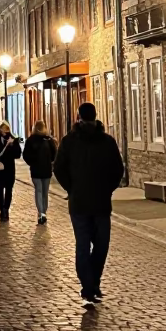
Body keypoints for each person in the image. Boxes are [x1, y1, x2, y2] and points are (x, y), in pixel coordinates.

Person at [54, 103, 124, 308]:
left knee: (86, 246)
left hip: (85, 203)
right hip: (93, 203)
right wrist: (106, 189)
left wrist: (71, 188)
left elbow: (58, 169)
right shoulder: (101, 142)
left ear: (79, 117)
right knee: (97, 246)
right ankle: (90, 285)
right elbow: (118, 170)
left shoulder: (76, 142)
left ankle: (89, 285)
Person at [23, 121, 58, 225]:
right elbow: (54, 154)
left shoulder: (31, 140)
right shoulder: (48, 140)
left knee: (39, 191)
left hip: (36, 170)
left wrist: (32, 163)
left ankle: (41, 213)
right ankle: (43, 212)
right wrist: (50, 162)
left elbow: (26, 155)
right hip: (46, 170)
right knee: (44, 192)